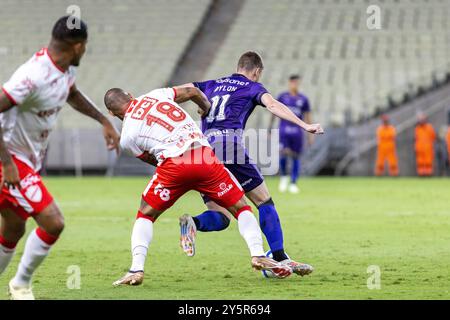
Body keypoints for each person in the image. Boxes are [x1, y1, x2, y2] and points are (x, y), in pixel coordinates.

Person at [104, 86, 293, 286]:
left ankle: (136, 269)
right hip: (203, 156)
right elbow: (192, 91)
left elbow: (151, 158)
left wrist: (177, 176)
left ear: (111, 113)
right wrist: (205, 107)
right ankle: (257, 254)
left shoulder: (126, 137)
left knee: (146, 214)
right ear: (131, 96)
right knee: (241, 208)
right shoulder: (155, 95)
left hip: (172, 166)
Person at [0, 16, 120, 299]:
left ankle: (18, 284)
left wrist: (103, 120)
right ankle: (20, 285)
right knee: (53, 222)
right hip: (9, 159)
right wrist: (6, 162)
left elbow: (73, 94)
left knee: (13, 230)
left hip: (27, 161)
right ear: (78, 46)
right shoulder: (31, 77)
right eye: (86, 46)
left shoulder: (63, 71)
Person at [176, 51, 323, 276]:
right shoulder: (252, 86)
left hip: (203, 152)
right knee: (264, 201)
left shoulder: (211, 84)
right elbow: (273, 105)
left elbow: (182, 91)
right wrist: (305, 125)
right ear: (256, 71)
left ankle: (193, 223)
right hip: (228, 146)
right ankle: (281, 258)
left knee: (222, 216)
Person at [269, 74, 312, 193]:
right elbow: (273, 112)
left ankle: (293, 182)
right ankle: (283, 177)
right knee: (283, 153)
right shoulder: (282, 97)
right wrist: (269, 129)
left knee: (296, 156)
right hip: (284, 130)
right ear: (289, 83)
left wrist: (310, 134)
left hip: (297, 132)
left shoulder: (303, 99)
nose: (295, 85)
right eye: (293, 82)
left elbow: (308, 116)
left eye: (297, 83)